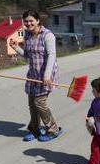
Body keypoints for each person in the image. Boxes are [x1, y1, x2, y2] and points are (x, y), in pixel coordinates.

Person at [9, 10, 62, 142]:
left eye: (31, 20)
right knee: (32, 104)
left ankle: (53, 129)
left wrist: (47, 75)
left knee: (39, 102)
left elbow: (52, 55)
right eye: (26, 21)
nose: (28, 23)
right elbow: (27, 55)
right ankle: (35, 129)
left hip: (46, 75)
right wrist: (16, 47)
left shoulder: (47, 35)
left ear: (38, 21)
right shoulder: (27, 35)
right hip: (33, 75)